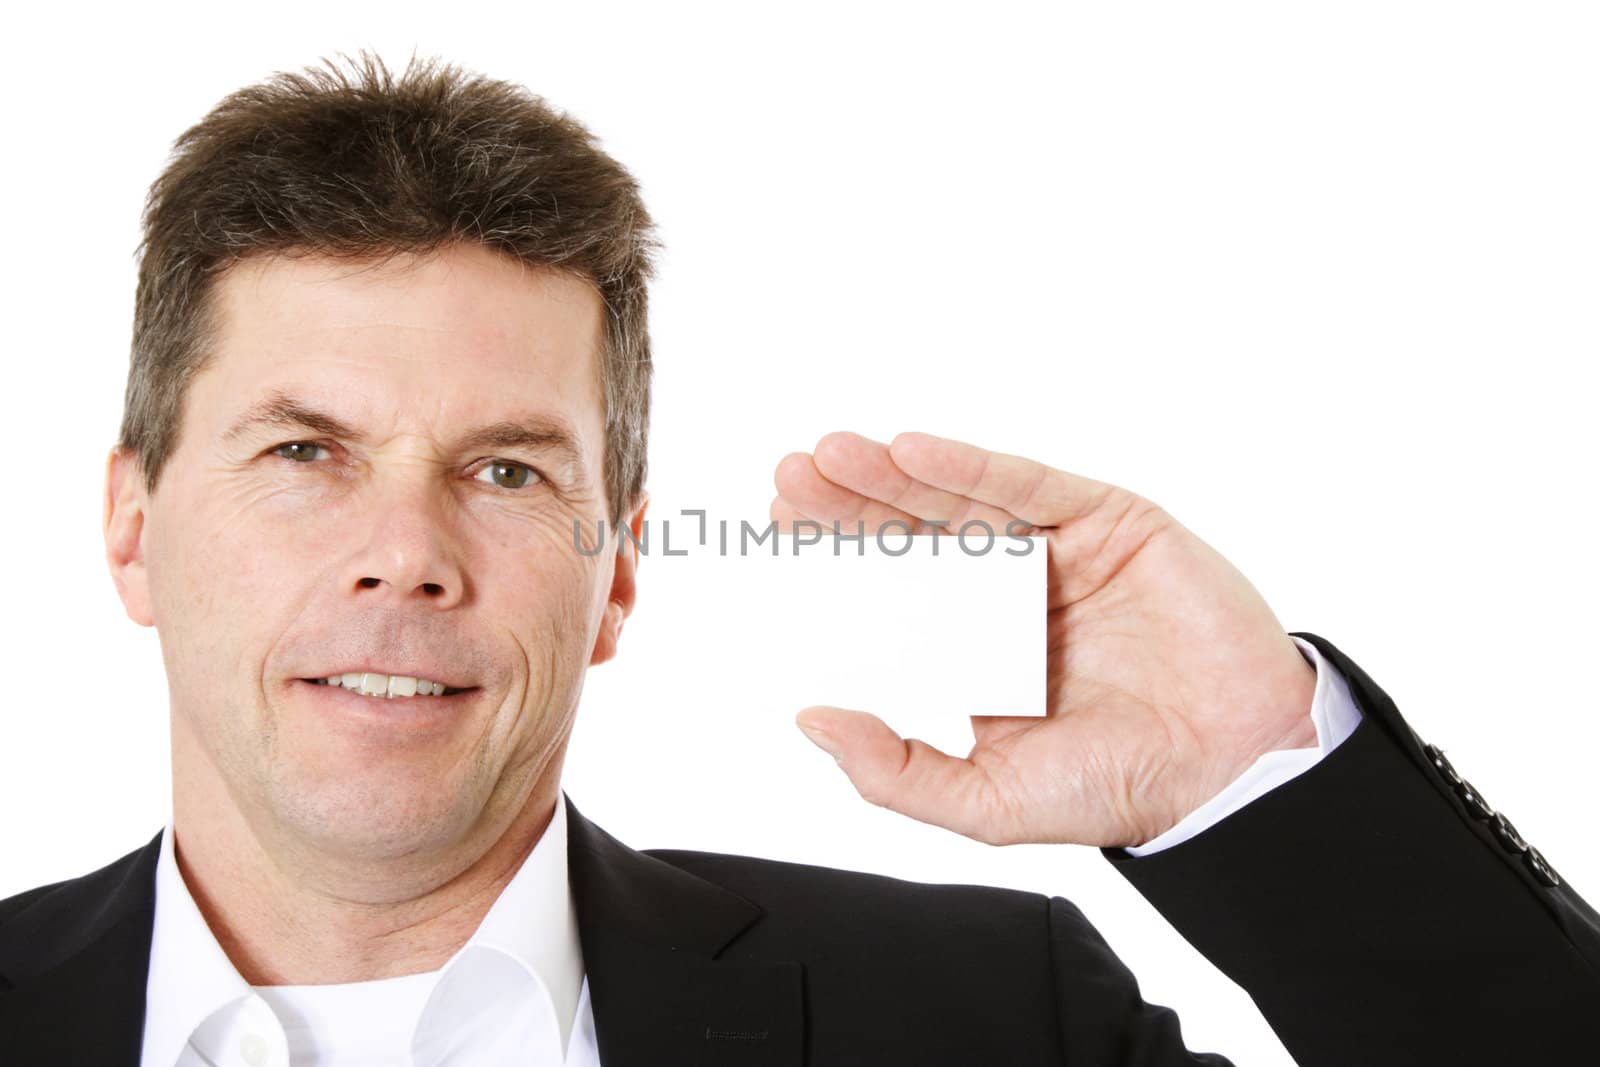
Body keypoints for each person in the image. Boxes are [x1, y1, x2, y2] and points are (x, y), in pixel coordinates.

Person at [0, 52, 1595, 1066]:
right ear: (134, 527)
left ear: (617, 574)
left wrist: (1255, 770)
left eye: (505, 468)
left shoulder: (988, 1025)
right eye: (304, 453)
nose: (406, 557)